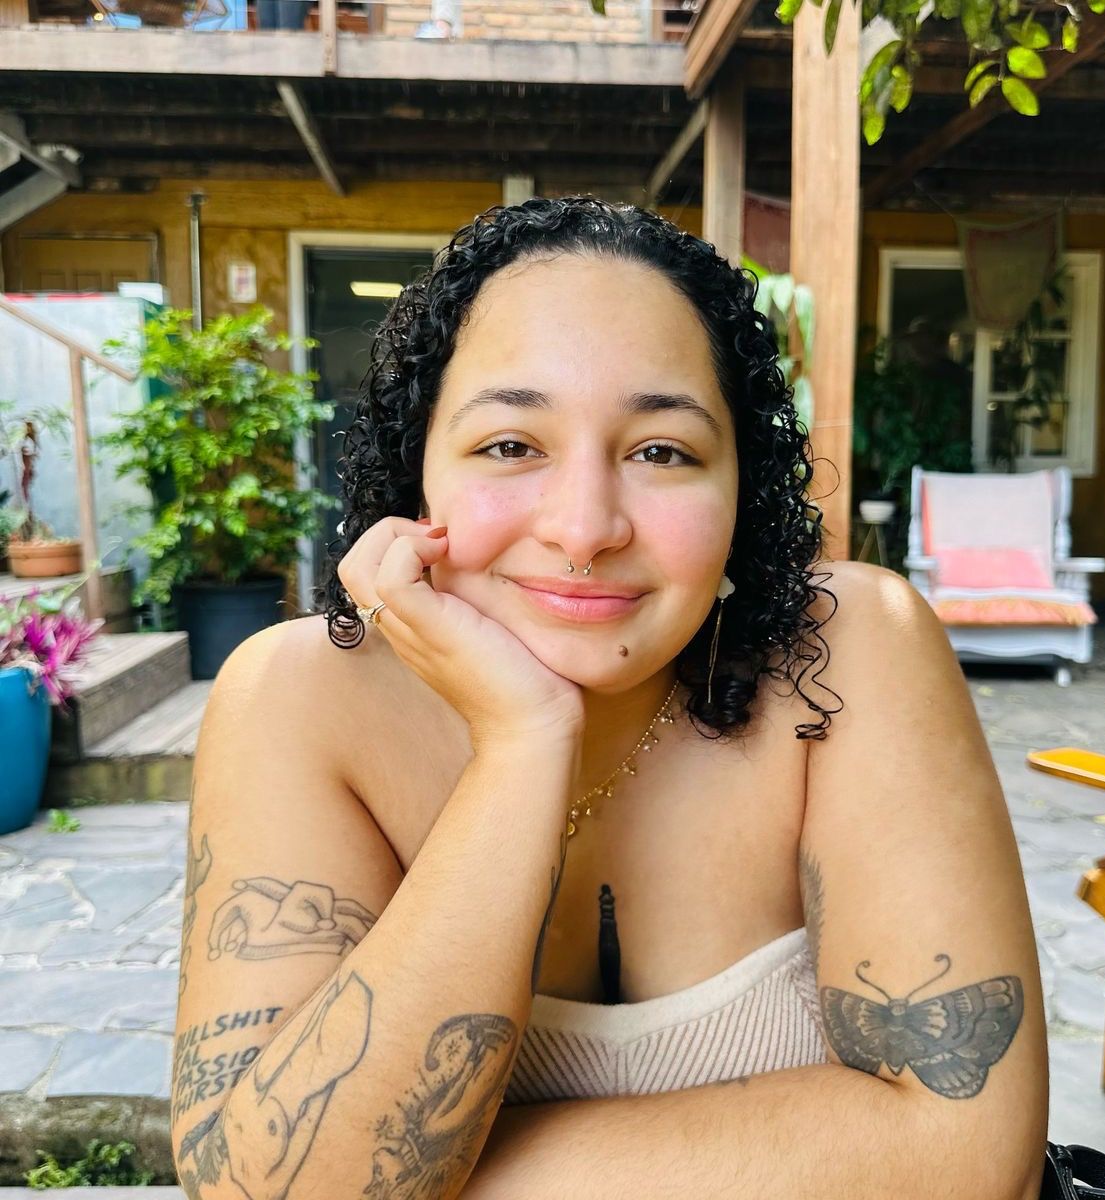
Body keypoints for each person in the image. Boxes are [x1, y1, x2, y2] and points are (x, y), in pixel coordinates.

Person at [170, 196, 1049, 1200]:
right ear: (420, 470)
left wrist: (433, 1183)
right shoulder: (297, 698)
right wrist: (522, 743)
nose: (585, 527)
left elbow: (971, 1163)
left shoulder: (847, 655)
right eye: (511, 445)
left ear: (741, 489)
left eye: (661, 451)